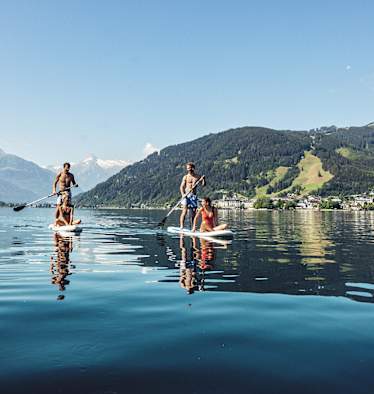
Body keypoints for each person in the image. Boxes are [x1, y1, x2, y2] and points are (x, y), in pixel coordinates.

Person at [179, 162, 205, 228]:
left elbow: (203, 185)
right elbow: (181, 186)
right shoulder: (185, 177)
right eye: (187, 168)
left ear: (193, 168)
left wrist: (203, 179)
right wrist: (183, 194)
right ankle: (181, 226)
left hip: (193, 195)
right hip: (186, 195)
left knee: (193, 212)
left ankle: (193, 227)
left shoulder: (198, 176)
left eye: (189, 168)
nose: (188, 170)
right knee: (184, 211)